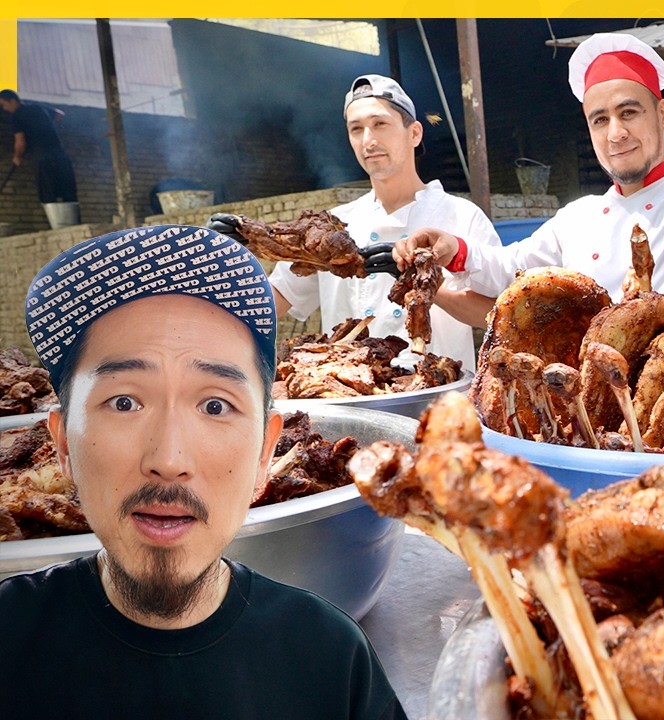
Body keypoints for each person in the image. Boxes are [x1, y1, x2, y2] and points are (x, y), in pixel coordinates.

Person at [3, 225, 407, 719]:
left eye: (215, 405)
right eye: (125, 401)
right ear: (63, 444)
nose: (169, 460)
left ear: (265, 452)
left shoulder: (331, 660)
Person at [393, 30, 664, 314]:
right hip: (596, 420)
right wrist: (455, 250)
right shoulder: (577, 217)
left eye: (629, 112)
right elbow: (511, 270)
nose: (616, 133)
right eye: (600, 119)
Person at [268, 74, 499, 374]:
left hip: (437, 405)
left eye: (380, 124)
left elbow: (495, 314)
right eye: (356, 129)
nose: (368, 140)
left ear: (414, 133)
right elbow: (272, 302)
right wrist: (227, 256)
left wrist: (424, 287)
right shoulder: (336, 228)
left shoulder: (461, 217)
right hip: (350, 401)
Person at [0, 89, 78, 206]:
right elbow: (59, 115)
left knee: (47, 192)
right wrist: (44, 127)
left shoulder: (16, 117)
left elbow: (20, 142)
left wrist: (17, 157)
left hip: (42, 157)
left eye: (3, 105)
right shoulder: (37, 108)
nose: (4, 109)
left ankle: (57, 223)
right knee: (68, 190)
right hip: (60, 154)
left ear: (12, 101)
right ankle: (73, 221)